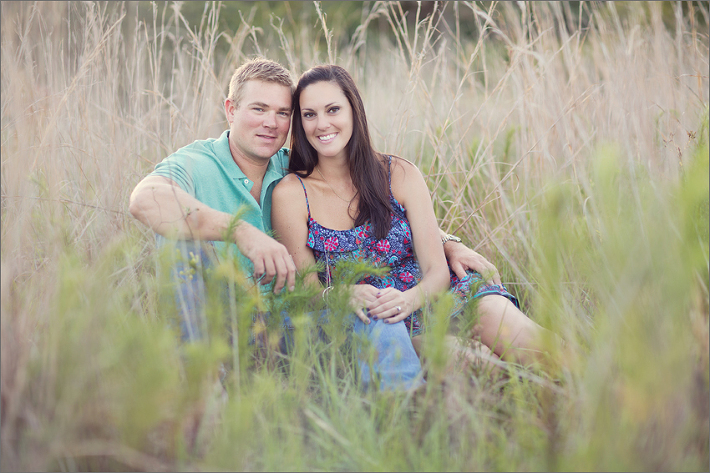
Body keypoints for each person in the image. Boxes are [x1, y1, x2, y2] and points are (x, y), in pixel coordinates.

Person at [272, 65, 549, 376]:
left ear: (354, 110)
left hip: (429, 296)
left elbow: (436, 270)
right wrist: (342, 294)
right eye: (309, 114)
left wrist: (409, 299)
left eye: (333, 109)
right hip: (382, 323)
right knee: (483, 372)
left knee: (536, 346)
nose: (322, 124)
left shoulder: (399, 174)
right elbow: (308, 290)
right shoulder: (291, 194)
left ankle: (601, 388)